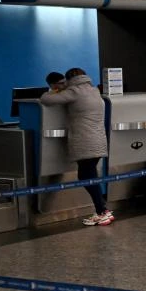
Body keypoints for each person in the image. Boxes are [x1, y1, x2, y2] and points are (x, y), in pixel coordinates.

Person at [40, 68, 112, 226]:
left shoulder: (74, 92)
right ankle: (103, 210)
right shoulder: (94, 90)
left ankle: (102, 212)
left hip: (85, 141)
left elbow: (45, 99)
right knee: (90, 176)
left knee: (86, 177)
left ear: (69, 79)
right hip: (98, 140)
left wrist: (54, 90)